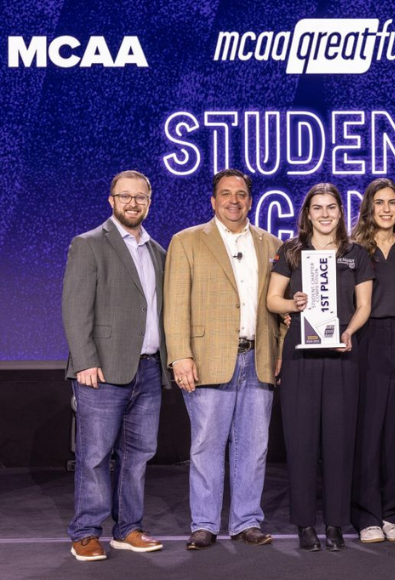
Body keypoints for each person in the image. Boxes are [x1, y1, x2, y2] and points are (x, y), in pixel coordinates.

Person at [164, 169, 283, 550]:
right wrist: (180, 355)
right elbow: (175, 304)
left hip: (258, 358)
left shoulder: (272, 244)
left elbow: (279, 310)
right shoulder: (187, 241)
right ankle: (205, 524)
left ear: (251, 200)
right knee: (206, 446)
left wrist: (280, 351)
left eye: (242, 194)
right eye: (226, 194)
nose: (235, 200)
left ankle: (246, 520)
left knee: (254, 446)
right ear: (213, 201)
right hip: (207, 358)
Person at [62, 170, 168, 561]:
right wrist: (85, 360)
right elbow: (74, 308)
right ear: (111, 200)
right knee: (94, 455)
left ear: (149, 202)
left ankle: (128, 528)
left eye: (140, 197)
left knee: (138, 453)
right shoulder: (88, 244)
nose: (132, 203)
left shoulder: (158, 251)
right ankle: (87, 531)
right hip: (102, 371)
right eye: (125, 196)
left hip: (149, 369)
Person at [267, 183, 374, 551]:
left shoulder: (356, 253)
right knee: (301, 443)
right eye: (318, 208)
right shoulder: (291, 252)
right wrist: (293, 304)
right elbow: (272, 300)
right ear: (307, 214)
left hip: (342, 355)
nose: (325, 214)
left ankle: (334, 524)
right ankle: (304, 525)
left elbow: (364, 306)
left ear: (341, 212)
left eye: (331, 207)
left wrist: (350, 332)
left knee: (339, 442)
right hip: (301, 357)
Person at [348, 178, 395, 544]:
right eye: (379, 203)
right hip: (367, 339)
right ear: (369, 208)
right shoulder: (355, 249)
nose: (387, 209)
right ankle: (367, 514)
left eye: (392, 202)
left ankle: (393, 513)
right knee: (369, 429)